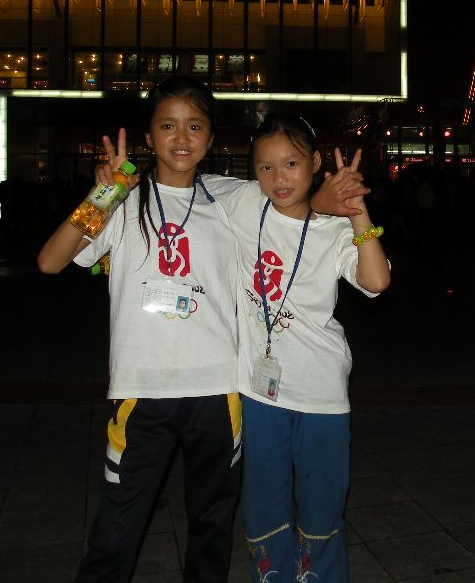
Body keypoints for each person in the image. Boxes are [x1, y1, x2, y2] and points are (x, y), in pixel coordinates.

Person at [36, 78, 366, 583]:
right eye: (167, 126)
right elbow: (51, 260)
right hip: (142, 391)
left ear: (211, 139)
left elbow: (290, 199)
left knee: (212, 528)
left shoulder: (230, 198)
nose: (181, 138)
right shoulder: (122, 202)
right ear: (149, 136)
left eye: (194, 126)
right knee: (118, 527)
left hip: (219, 391)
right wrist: (106, 192)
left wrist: (328, 197)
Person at [221, 113, 390, 582]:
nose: (278, 178)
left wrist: (357, 211)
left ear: (316, 163)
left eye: (291, 164)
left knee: (322, 506)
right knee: (263, 504)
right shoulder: (243, 203)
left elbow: (377, 281)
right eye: (265, 167)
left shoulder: (334, 230)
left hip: (321, 392)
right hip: (258, 392)